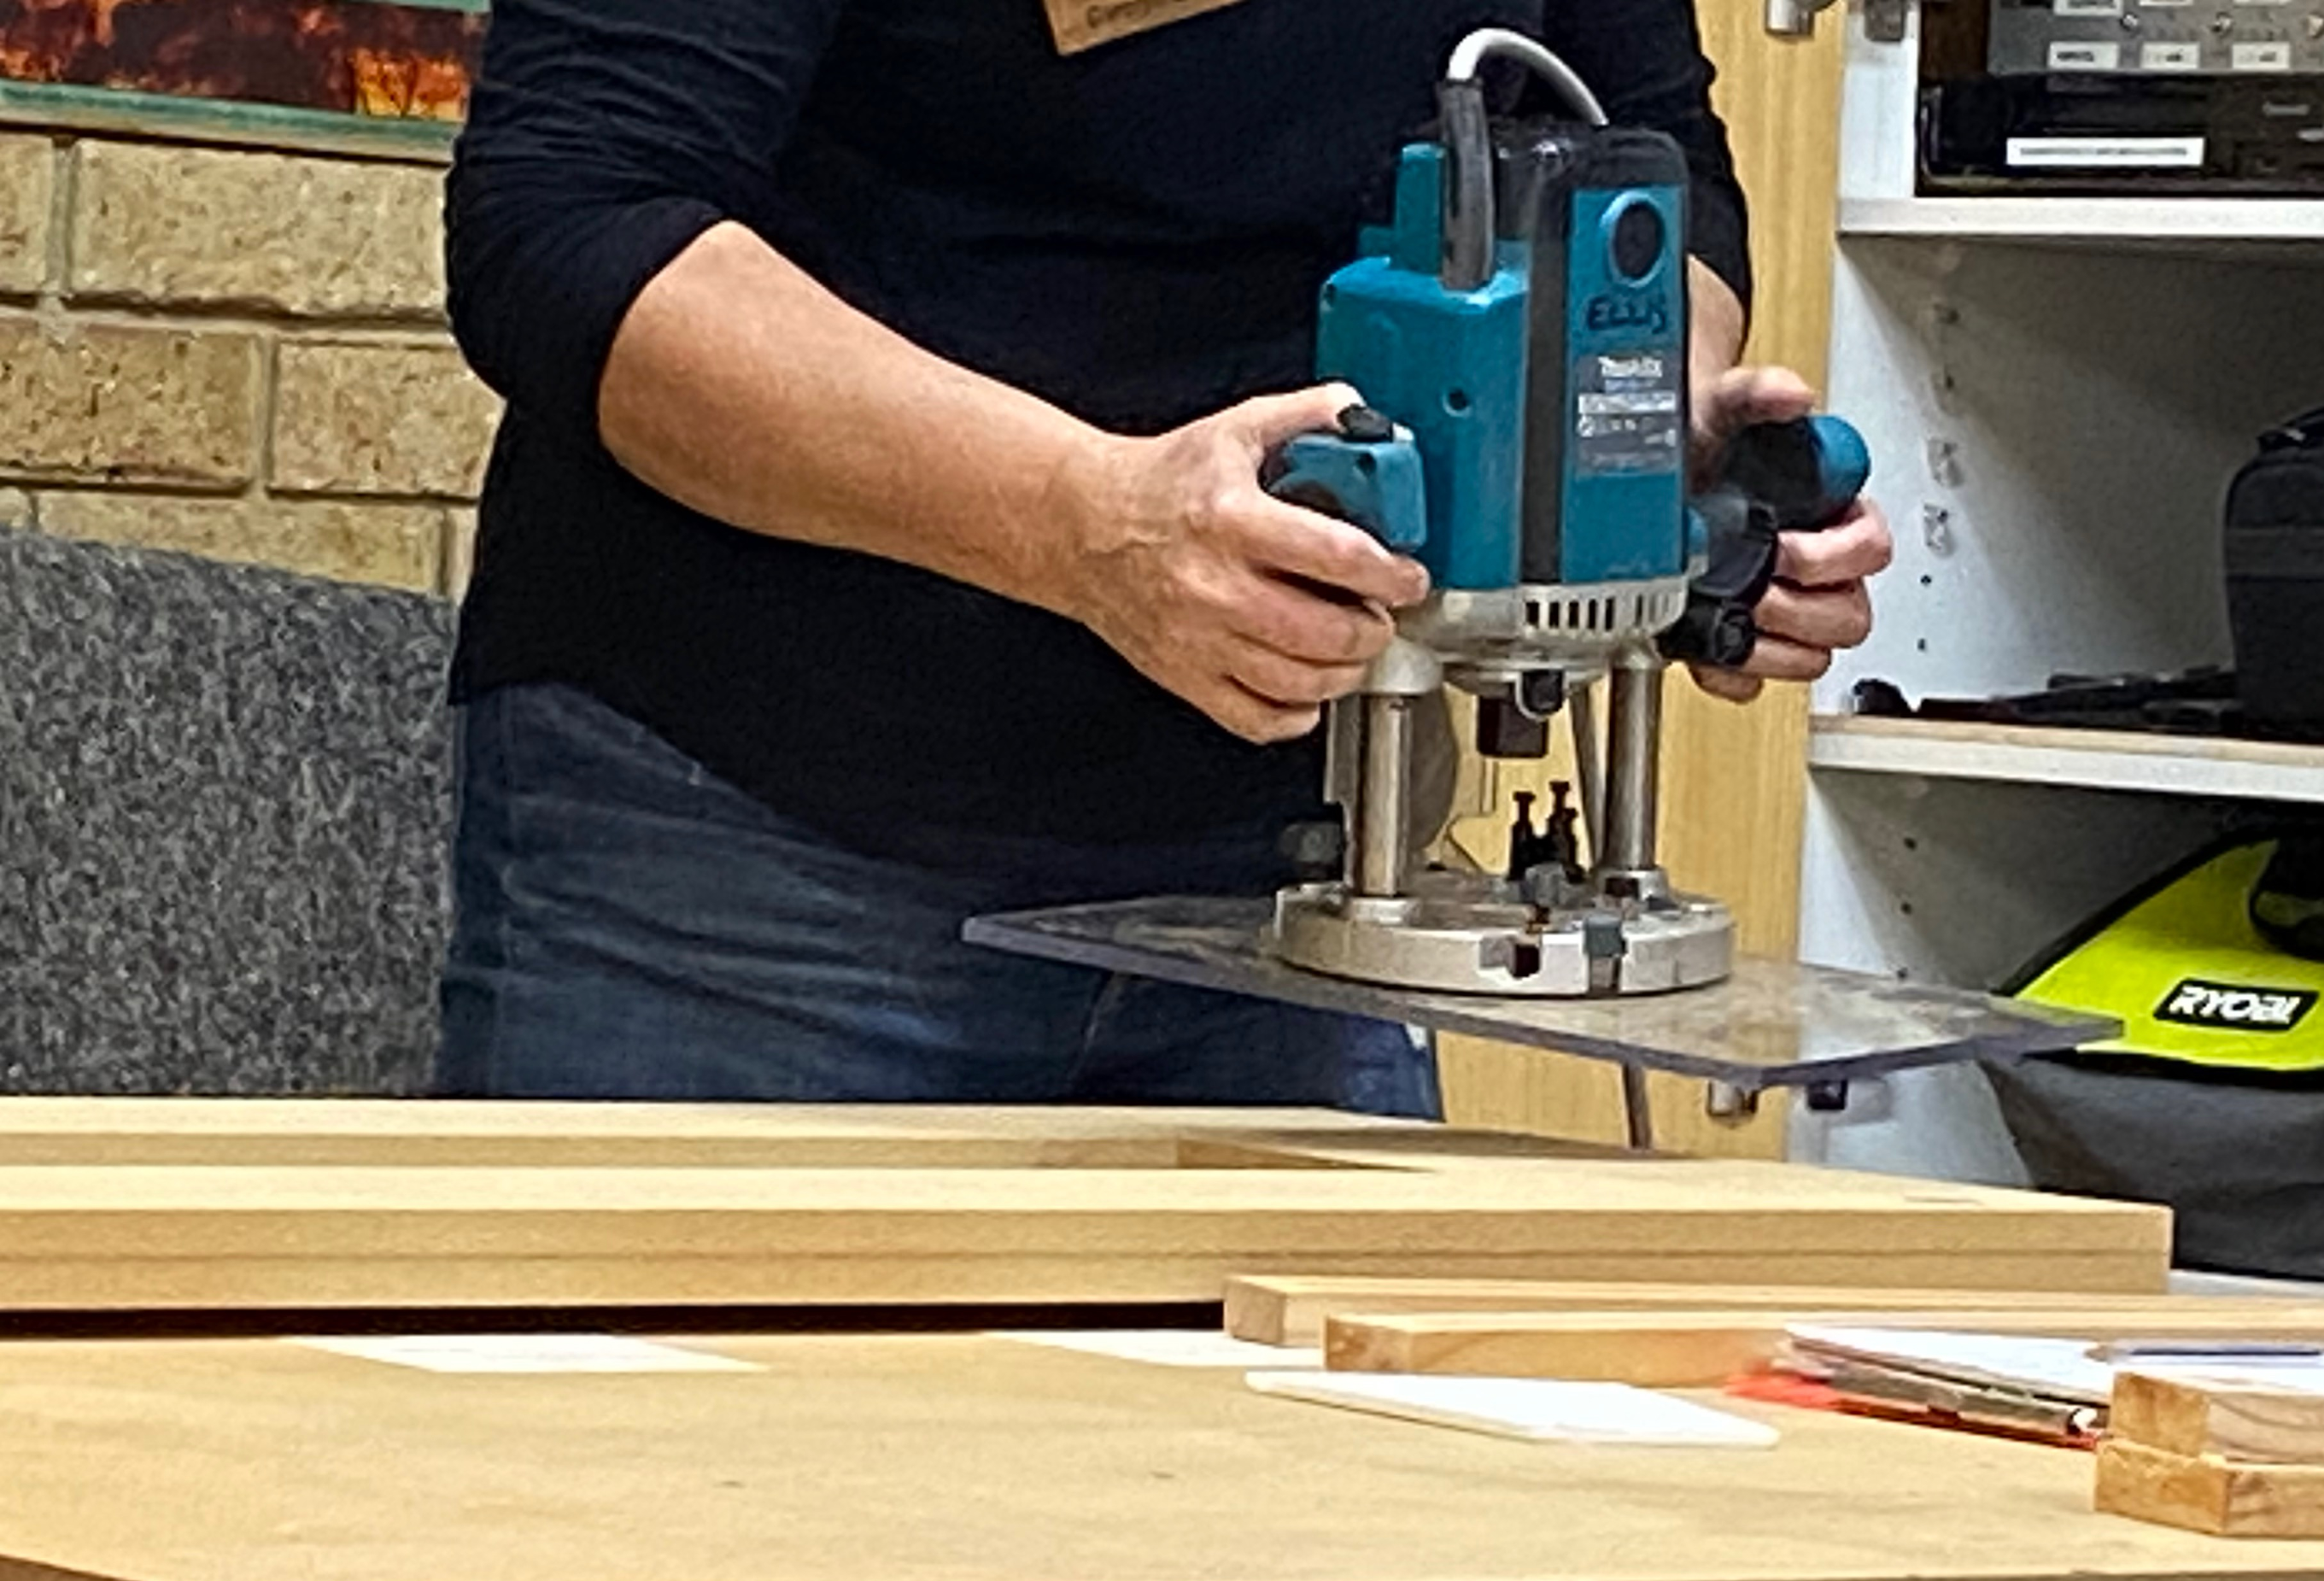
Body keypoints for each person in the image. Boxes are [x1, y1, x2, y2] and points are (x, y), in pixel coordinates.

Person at [434, 0, 1894, 1115]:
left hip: (1301, 877)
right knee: (675, 1487)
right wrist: (1089, 522)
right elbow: (573, 226)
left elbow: (1656, 156)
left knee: (1295, 1499)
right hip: (745, 855)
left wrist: (1633, 436)